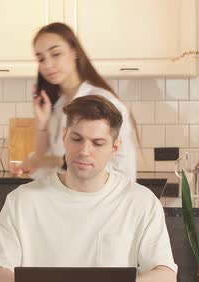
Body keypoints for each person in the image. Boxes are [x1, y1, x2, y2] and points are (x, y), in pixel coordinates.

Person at [0, 95, 177, 282]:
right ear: (64, 137)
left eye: (98, 143)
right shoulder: (22, 201)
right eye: (76, 139)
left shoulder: (141, 202)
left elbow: (165, 279)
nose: (84, 151)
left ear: (114, 148)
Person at [15, 22, 139, 182]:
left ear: (74, 51)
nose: (47, 64)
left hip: (101, 200)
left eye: (56, 54)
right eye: (41, 58)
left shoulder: (103, 102)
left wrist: (50, 161)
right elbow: (40, 159)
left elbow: (105, 165)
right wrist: (42, 124)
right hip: (61, 197)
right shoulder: (58, 105)